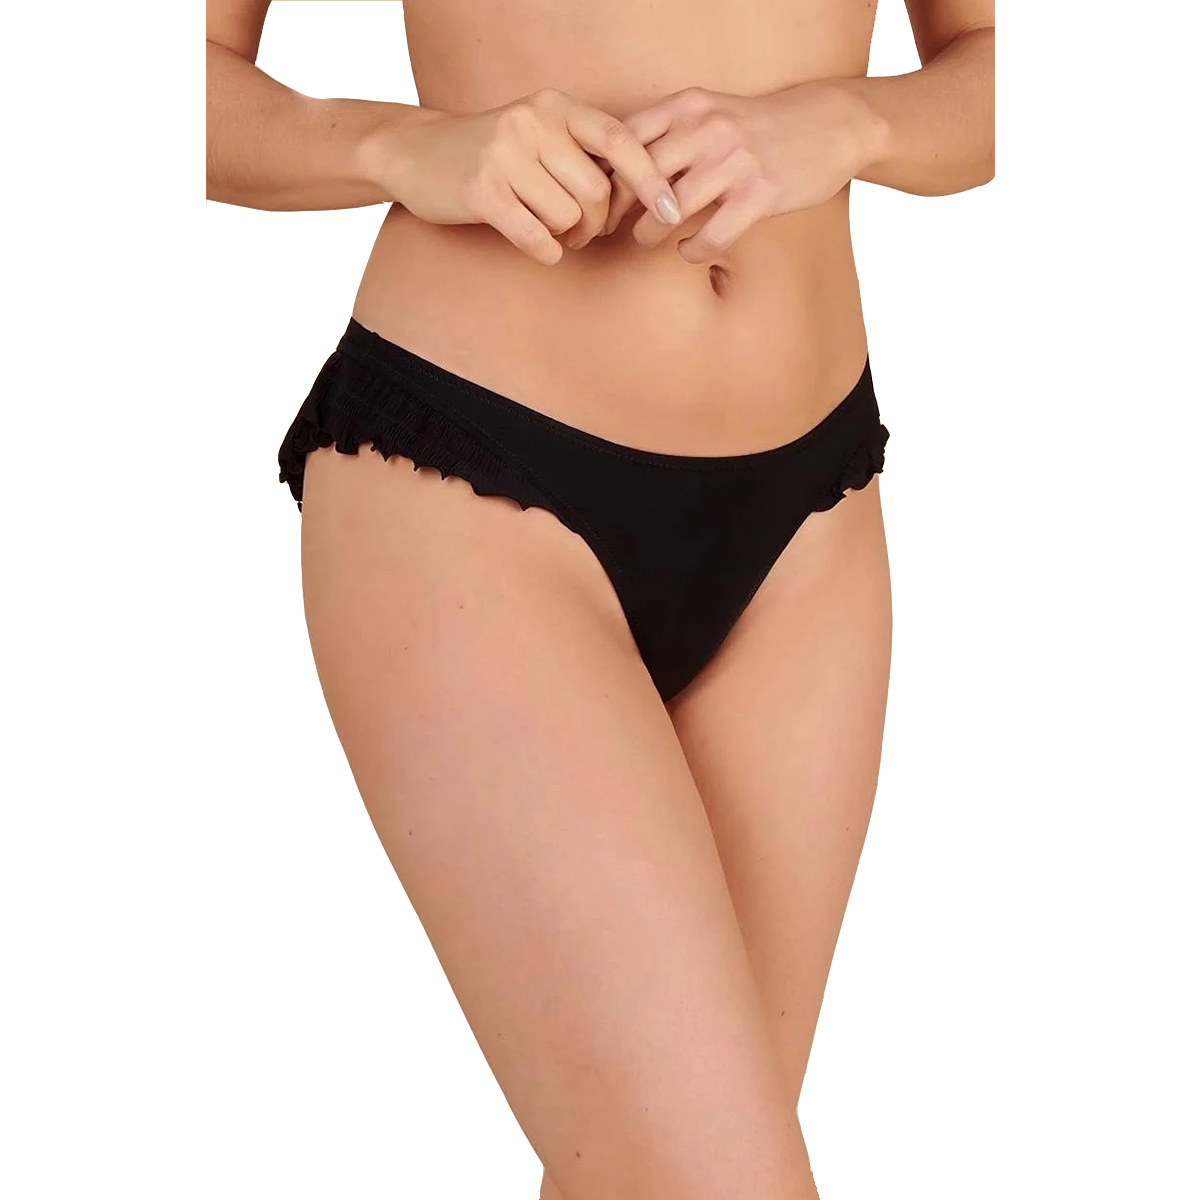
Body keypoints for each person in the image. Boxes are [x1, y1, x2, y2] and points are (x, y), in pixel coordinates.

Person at [206, 1, 993, 1195]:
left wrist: (851, 120)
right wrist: (399, 144)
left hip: (810, 526)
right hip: (476, 479)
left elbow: (1006, 74)